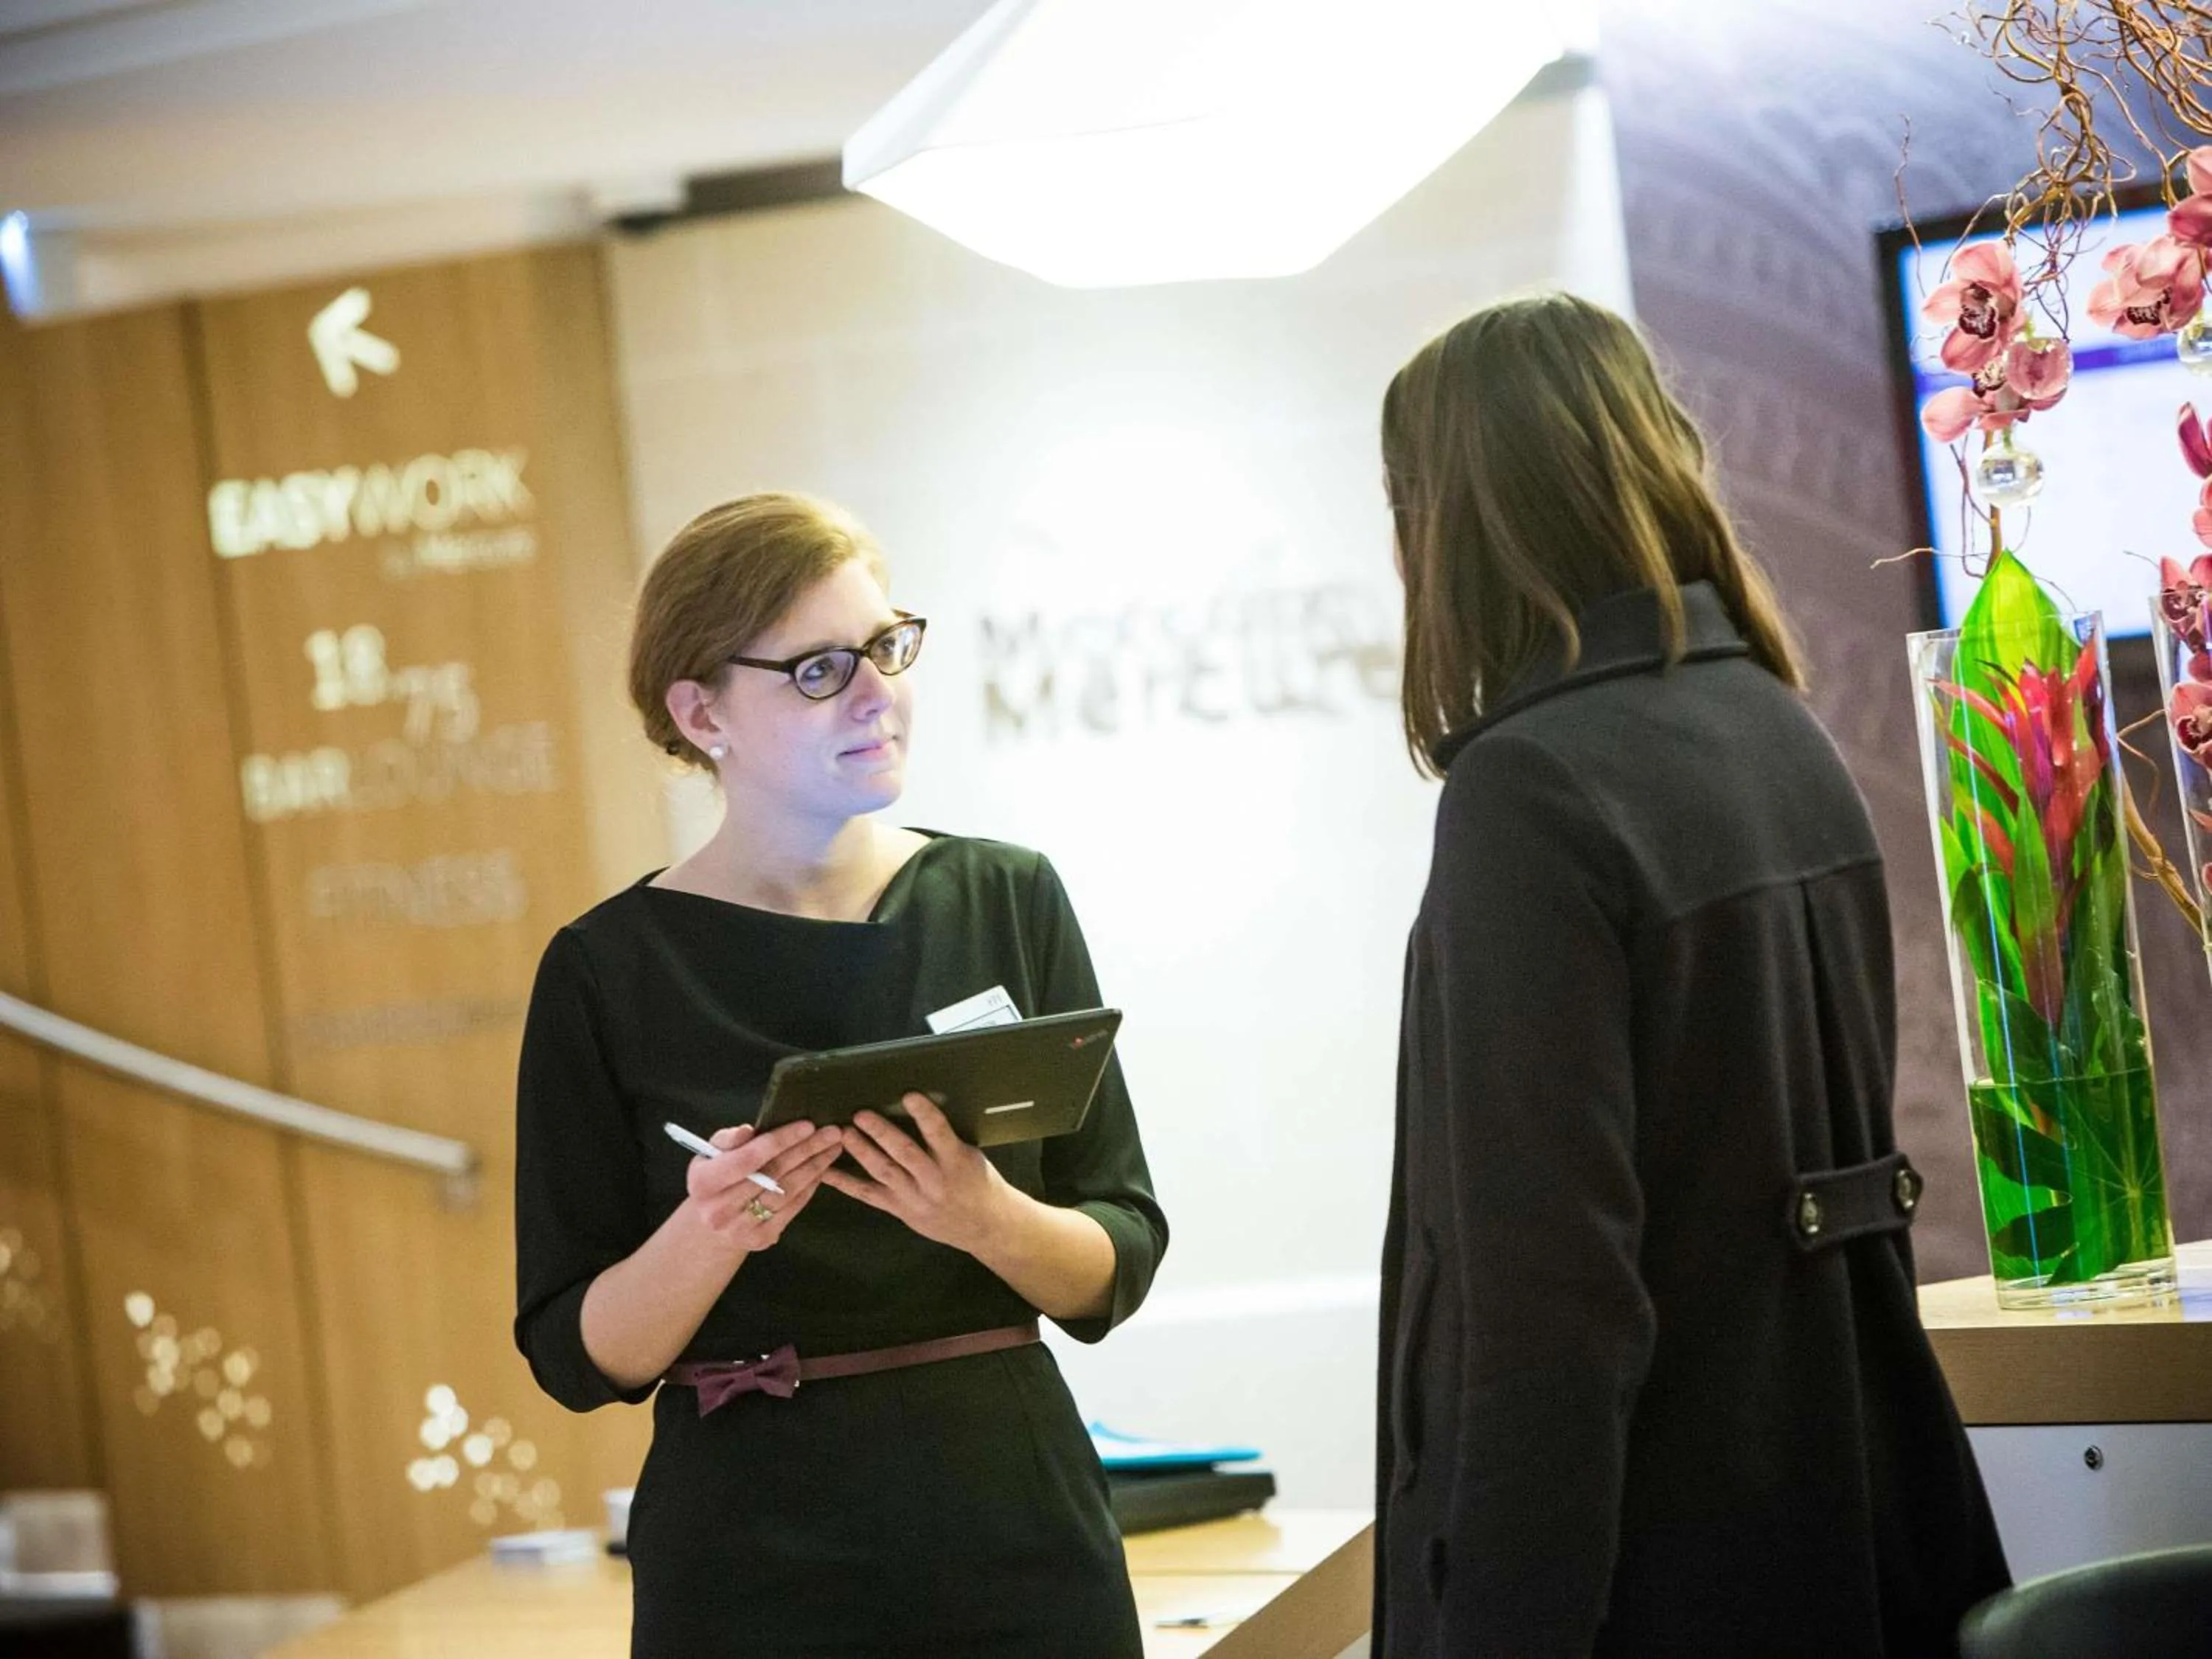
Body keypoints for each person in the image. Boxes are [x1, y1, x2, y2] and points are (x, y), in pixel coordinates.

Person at [1373, 293, 2009, 1657]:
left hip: (1660, 1571)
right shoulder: (1781, 731)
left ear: (1452, 516)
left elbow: (1551, 1303)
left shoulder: (1527, 791)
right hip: (1861, 1517)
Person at [512, 493, 1166, 1658]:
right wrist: (709, 1232)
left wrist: (983, 1215)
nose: (877, 693)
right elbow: (574, 1351)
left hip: (1012, 1521)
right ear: (700, 709)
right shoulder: (603, 971)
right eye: (819, 669)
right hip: (752, 1551)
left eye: (886, 646)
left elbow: (1117, 1258)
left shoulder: (1006, 895)